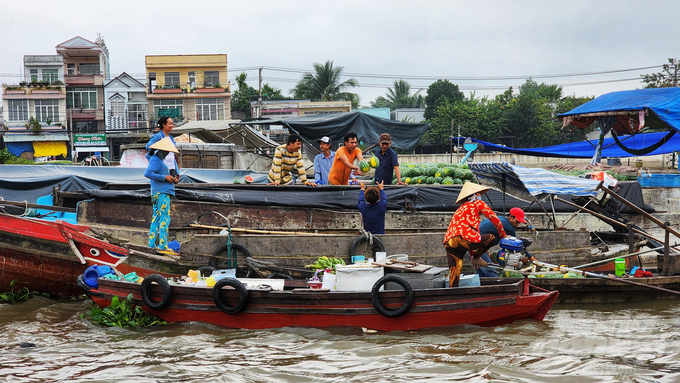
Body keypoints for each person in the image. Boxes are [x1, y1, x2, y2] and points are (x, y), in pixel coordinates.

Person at [443, 181, 507, 287]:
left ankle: (452, 297)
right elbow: (494, 219)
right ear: (475, 195)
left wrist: (472, 254)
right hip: (462, 239)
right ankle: (477, 257)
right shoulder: (477, 203)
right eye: (479, 194)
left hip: (449, 242)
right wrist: (503, 235)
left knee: (454, 275)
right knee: (491, 238)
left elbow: (469, 232)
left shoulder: (461, 208)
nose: (480, 196)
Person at [474, 207, 535, 277]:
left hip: (469, 244)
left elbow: (483, 232)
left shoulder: (500, 219)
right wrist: (532, 258)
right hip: (476, 245)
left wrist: (486, 253)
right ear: (511, 217)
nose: (518, 225)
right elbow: (518, 245)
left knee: (481, 274)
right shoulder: (508, 226)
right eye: (517, 222)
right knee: (490, 272)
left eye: (519, 223)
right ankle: (498, 287)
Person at [144, 136, 180, 252]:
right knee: (165, 218)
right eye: (167, 151)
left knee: (156, 218)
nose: (168, 153)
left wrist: (171, 178)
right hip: (161, 193)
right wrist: (164, 177)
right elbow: (148, 173)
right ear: (161, 150)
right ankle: (163, 246)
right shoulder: (155, 159)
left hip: (159, 193)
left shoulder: (158, 160)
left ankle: (151, 244)